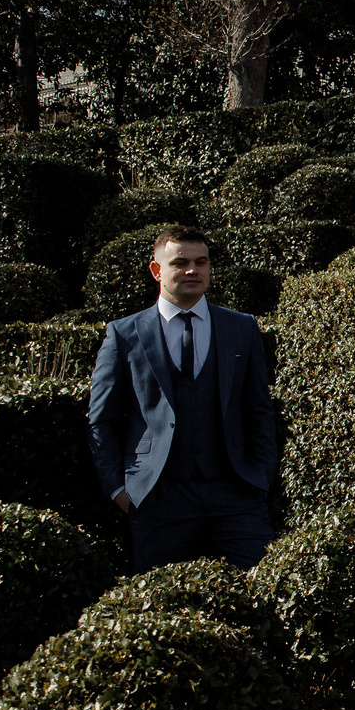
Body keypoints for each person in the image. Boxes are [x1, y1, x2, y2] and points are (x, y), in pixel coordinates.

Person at [86, 225, 277, 573]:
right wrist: (118, 489)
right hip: (158, 496)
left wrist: (260, 475)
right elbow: (102, 418)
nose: (193, 270)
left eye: (201, 262)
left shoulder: (242, 327)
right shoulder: (124, 333)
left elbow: (259, 409)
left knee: (263, 587)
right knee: (163, 603)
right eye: (181, 262)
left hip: (235, 492)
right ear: (157, 270)